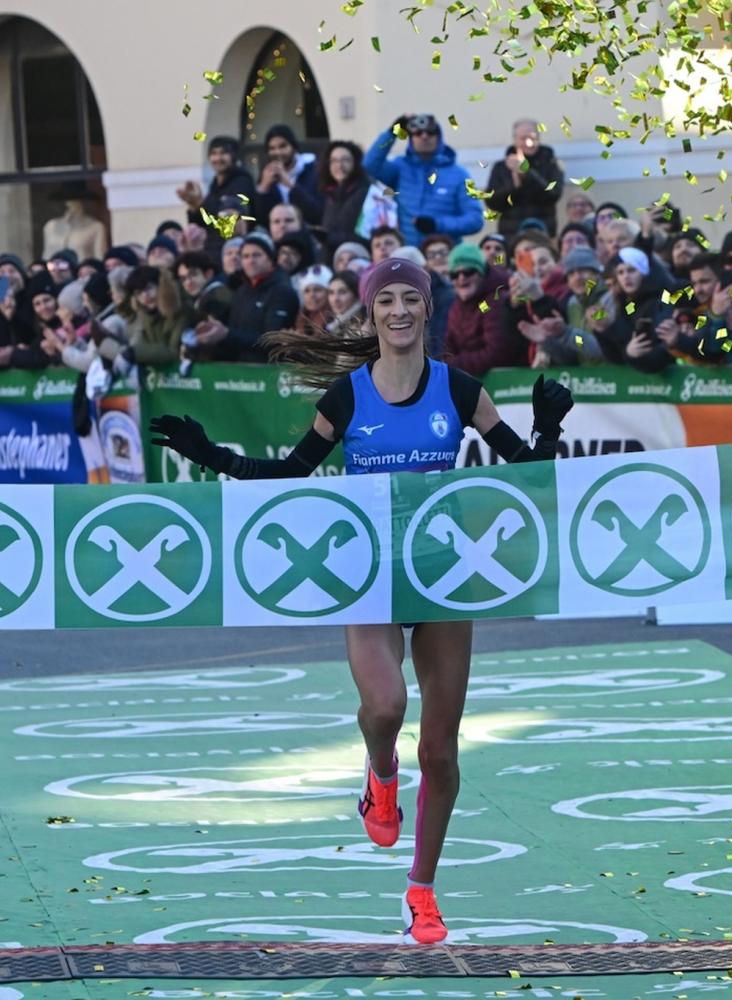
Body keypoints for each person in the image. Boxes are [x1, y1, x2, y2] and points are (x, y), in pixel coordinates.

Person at [148, 256, 573, 945]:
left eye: (412, 299)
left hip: (441, 577)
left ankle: (422, 890)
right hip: (368, 573)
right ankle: (380, 776)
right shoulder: (347, 397)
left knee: (441, 750)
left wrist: (548, 431)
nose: (399, 311)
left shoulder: (459, 389)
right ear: (371, 313)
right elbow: (291, 475)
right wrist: (215, 456)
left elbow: (532, 481)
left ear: (427, 311)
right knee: (385, 706)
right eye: (387, 301)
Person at [364, 113, 483, 246]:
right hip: (408, 253)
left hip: (443, 255)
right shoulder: (400, 168)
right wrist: (392, 133)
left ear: (439, 137)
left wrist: (436, 224)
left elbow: (475, 220)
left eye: (431, 132)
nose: (424, 136)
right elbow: (369, 166)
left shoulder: (459, 174)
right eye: (418, 133)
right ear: (411, 138)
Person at [191, 231, 298, 363]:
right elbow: (234, 332)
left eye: (256, 255)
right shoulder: (241, 291)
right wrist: (213, 334)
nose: (250, 261)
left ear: (270, 259)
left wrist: (226, 334)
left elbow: (273, 340)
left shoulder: (282, 291)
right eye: (245, 256)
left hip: (270, 372)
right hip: (240, 374)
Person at [443, 242, 522, 375]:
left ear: (481, 273)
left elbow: (496, 353)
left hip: (502, 386)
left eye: (468, 272)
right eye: (454, 274)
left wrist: (453, 365)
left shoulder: (493, 301)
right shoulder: (456, 306)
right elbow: (448, 347)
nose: (461, 278)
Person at [176, 136, 257, 262]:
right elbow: (202, 224)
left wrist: (200, 203)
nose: (218, 158)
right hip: (213, 250)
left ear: (234, 156)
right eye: (214, 153)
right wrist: (193, 206)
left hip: (233, 252)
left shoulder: (242, 182)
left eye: (223, 153)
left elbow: (227, 218)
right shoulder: (215, 185)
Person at [484, 118, 564, 237]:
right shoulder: (501, 167)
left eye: (532, 138)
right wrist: (514, 187)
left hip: (543, 233)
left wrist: (527, 173)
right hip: (511, 235)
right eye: (523, 138)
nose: (528, 143)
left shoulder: (551, 164)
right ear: (515, 140)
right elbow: (491, 202)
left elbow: (553, 194)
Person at [254, 124, 324, 229]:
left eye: (283, 146)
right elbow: (258, 218)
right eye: (272, 148)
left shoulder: (313, 170)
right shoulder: (267, 174)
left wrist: (290, 185)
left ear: (293, 147)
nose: (278, 152)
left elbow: (317, 213)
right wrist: (263, 188)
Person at [319, 141, 372, 251]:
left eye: (345, 160)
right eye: (334, 161)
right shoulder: (330, 194)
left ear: (355, 163)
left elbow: (368, 236)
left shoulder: (366, 193)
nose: (339, 165)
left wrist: (330, 238)